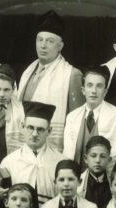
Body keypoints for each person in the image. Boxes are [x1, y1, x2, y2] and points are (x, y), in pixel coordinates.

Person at [17, 10, 84, 152]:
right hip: (25, 145)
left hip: (53, 149)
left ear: (60, 46)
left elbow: (76, 125)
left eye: (50, 41)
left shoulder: (71, 75)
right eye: (40, 39)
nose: (43, 45)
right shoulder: (27, 72)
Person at [63, 65, 116, 172]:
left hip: (107, 182)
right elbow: (67, 156)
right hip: (77, 183)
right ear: (83, 90)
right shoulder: (72, 117)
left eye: (99, 86)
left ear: (105, 91)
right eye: (90, 85)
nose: (94, 91)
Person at [0, 101, 65, 206]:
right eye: (30, 128)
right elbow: (2, 199)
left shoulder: (61, 162)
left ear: (49, 131)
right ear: (22, 126)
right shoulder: (9, 162)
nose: (34, 134)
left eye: (40, 129)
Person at [77, 135, 112, 208]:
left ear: (109, 160)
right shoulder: (78, 184)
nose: (98, 160)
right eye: (93, 156)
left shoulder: (113, 182)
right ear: (86, 158)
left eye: (102, 156)